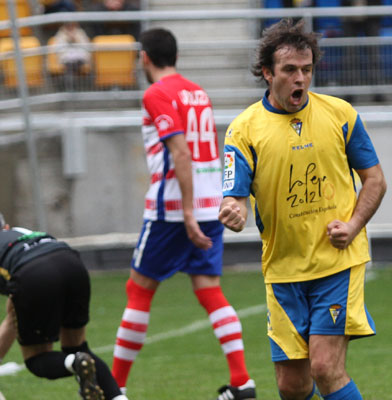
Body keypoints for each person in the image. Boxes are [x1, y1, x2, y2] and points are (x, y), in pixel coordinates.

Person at [219, 18, 387, 400]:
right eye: (290, 70)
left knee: (325, 368)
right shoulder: (242, 130)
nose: (300, 79)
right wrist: (234, 210)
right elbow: (234, 196)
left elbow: (375, 180)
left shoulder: (340, 114)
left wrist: (354, 224)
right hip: (282, 269)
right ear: (267, 73)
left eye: (307, 70)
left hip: (336, 263)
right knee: (291, 385)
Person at [110, 28, 255, 400]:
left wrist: (186, 212)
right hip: (211, 205)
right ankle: (242, 383)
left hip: (174, 210)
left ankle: (113, 389)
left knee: (139, 289)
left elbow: (180, 153)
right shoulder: (197, 91)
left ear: (145, 57)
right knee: (209, 289)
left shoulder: (156, 93)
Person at [0, 212, 127, 400]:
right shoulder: (18, 233)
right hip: (70, 261)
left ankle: (75, 363)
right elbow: (13, 312)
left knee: (37, 358)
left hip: (33, 272)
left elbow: (13, 317)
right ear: (6, 227)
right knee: (79, 347)